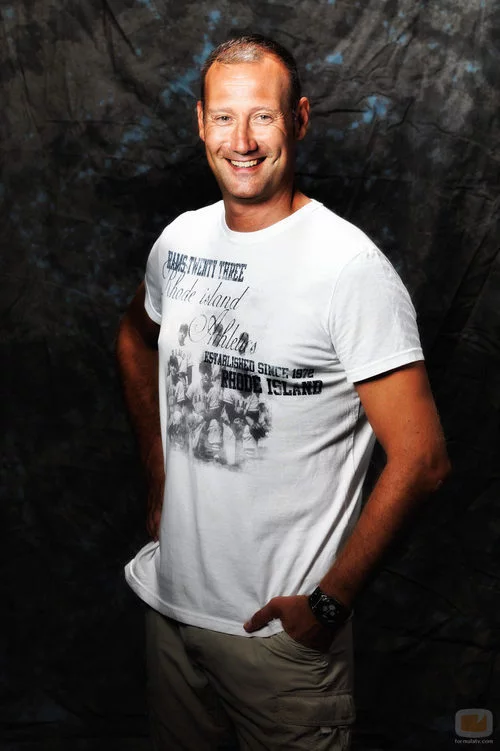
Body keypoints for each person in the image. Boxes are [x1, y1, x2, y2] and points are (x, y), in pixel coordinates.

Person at [116, 34, 450, 751]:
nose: (241, 141)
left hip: (279, 640)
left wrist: (328, 607)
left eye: (262, 117)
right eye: (224, 117)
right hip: (171, 611)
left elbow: (422, 460)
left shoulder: (347, 268)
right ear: (200, 122)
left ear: (298, 119)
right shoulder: (180, 242)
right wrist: (158, 469)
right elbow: (133, 340)